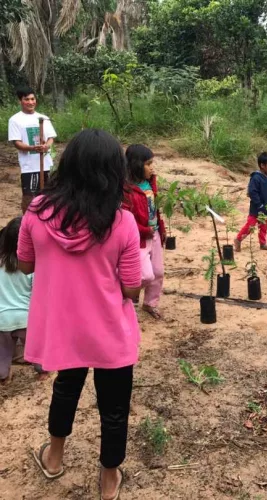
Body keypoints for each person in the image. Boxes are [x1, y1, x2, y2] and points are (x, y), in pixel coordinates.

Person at [17, 129, 141, 500]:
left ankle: (54, 458)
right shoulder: (121, 223)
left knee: (65, 389)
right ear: (112, 172)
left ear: (68, 166)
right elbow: (132, 288)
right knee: (114, 407)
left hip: (64, 331)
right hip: (110, 332)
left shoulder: (36, 212)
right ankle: (108, 480)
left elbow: (25, 265)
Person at [0, 217, 45, 384]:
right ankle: (42, 372)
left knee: (2, 352)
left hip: (2, 319)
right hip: (26, 318)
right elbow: (37, 294)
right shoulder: (31, 267)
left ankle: (3, 376)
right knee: (36, 347)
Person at [123, 144, 166, 320]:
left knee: (158, 272)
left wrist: (160, 227)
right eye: (148, 164)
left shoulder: (150, 183)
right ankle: (124, 296)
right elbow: (127, 219)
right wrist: (144, 230)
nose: (152, 167)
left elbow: (155, 210)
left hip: (154, 234)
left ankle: (150, 302)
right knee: (145, 275)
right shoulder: (126, 190)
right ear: (136, 164)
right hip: (139, 238)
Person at [8, 87, 57, 214]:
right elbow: (17, 142)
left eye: (32, 99)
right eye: (26, 99)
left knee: (49, 195)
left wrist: (46, 146)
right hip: (29, 166)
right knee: (29, 196)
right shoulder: (15, 120)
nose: (30, 102)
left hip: (46, 164)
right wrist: (33, 148)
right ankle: (27, 221)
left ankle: (46, 218)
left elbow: (51, 137)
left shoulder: (43, 118)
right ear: (20, 101)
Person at [234, 152, 267, 252]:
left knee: (263, 226)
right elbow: (252, 192)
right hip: (257, 208)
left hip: (266, 207)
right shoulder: (256, 178)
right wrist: (259, 205)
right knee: (250, 225)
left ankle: (263, 244)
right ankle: (238, 239)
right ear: (262, 166)